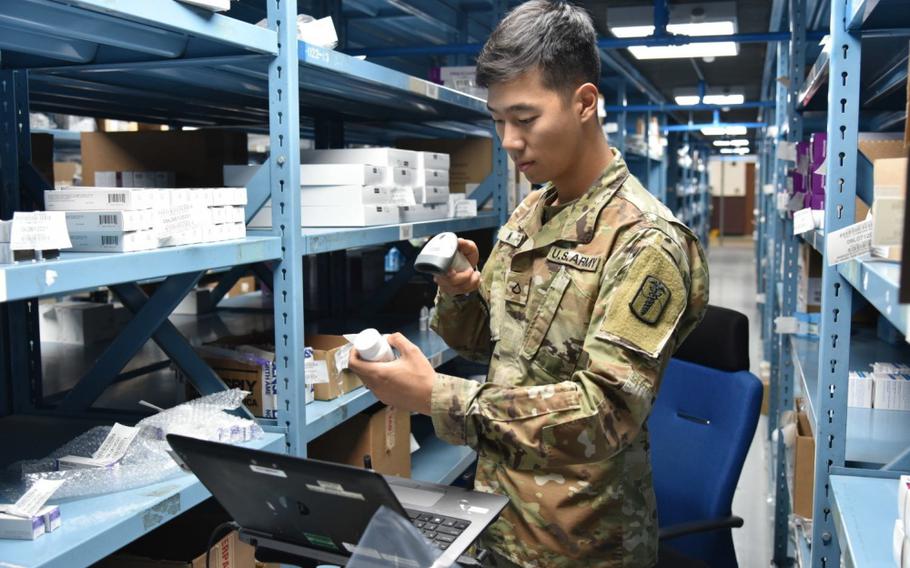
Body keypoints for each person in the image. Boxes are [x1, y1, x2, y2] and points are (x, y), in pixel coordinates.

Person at [347, 1, 709, 566]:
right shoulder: (531, 214)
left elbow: (604, 414)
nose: (509, 140)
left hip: (582, 543)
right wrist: (463, 290)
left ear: (584, 103)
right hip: (499, 521)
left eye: (526, 118)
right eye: (498, 120)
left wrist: (433, 397)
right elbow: (492, 348)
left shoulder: (646, 242)